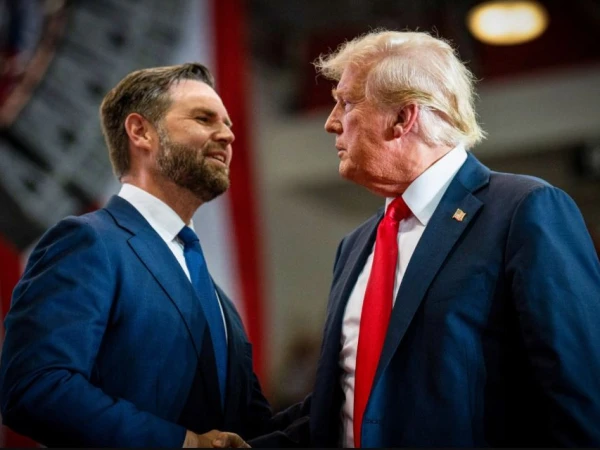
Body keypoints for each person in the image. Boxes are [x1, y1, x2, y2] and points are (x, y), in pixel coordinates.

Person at [300, 29, 600, 447]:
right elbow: (342, 408)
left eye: (346, 102)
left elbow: (579, 399)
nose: (331, 122)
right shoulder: (354, 247)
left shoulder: (524, 211)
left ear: (403, 118)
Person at [0, 63, 286, 447]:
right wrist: (183, 442)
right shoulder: (88, 243)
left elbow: (251, 429)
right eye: (204, 119)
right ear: (140, 132)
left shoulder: (217, 298)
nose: (227, 135)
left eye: (228, 124)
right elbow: (36, 386)